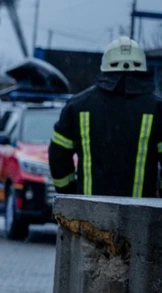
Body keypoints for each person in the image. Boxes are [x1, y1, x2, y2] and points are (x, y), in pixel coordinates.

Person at [49, 36, 161, 198]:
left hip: (87, 216)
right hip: (143, 218)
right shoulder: (157, 109)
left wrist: (70, 194)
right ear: (142, 67)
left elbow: (58, 156)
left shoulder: (77, 106)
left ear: (105, 67)